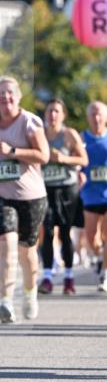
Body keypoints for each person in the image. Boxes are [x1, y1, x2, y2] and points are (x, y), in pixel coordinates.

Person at [0, 76, 49, 323]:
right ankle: (5, 301)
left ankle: (29, 294)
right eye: (1, 94)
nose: (5, 98)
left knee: (26, 252)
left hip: (30, 196)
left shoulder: (30, 122)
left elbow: (44, 155)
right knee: (6, 246)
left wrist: (14, 152)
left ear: (18, 97)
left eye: (10, 94)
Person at [39, 99, 88, 295]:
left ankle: (69, 277)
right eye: (50, 111)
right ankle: (48, 277)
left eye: (56, 111)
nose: (52, 115)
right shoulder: (39, 135)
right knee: (48, 233)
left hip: (68, 189)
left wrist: (64, 159)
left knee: (65, 233)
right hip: (45, 189)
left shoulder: (69, 135)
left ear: (63, 115)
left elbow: (84, 159)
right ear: (45, 114)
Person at [80, 100, 107, 293]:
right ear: (88, 117)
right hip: (90, 195)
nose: (96, 118)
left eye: (99, 114)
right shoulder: (82, 139)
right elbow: (76, 162)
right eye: (92, 114)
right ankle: (99, 257)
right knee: (92, 239)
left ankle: (104, 274)